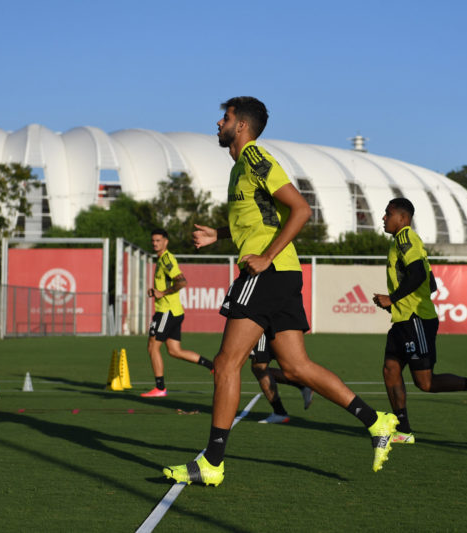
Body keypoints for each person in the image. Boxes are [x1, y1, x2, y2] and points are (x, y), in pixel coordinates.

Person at [163, 96, 398, 486]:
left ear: (241, 126)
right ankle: (378, 421)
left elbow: (300, 209)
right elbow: (264, 216)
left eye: (225, 118)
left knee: (226, 363)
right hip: (283, 273)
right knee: (294, 367)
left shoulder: (256, 159)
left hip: (270, 272)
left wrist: (267, 256)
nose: (218, 123)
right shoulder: (241, 168)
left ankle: (213, 463)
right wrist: (219, 234)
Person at [372, 198, 467, 444]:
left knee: (425, 382)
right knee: (390, 369)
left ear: (403, 219)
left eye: (388, 213)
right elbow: (430, 282)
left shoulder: (404, 238)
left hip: (416, 320)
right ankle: (403, 430)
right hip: (404, 320)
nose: (383, 217)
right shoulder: (402, 243)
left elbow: (418, 274)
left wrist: (393, 298)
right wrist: (399, 303)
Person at [141, 228, 214, 397]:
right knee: (174, 351)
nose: (155, 243)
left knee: (153, 347)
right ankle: (212, 366)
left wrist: (162, 293)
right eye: (153, 241)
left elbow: (182, 281)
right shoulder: (161, 260)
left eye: (158, 240)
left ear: (166, 241)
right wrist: (157, 292)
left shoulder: (166, 259)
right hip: (174, 311)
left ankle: (160, 388)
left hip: (166, 312)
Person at [249, 333, 314, 423]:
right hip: (270, 327)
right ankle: (301, 385)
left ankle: (280, 413)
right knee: (261, 369)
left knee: (260, 368)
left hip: (262, 328)